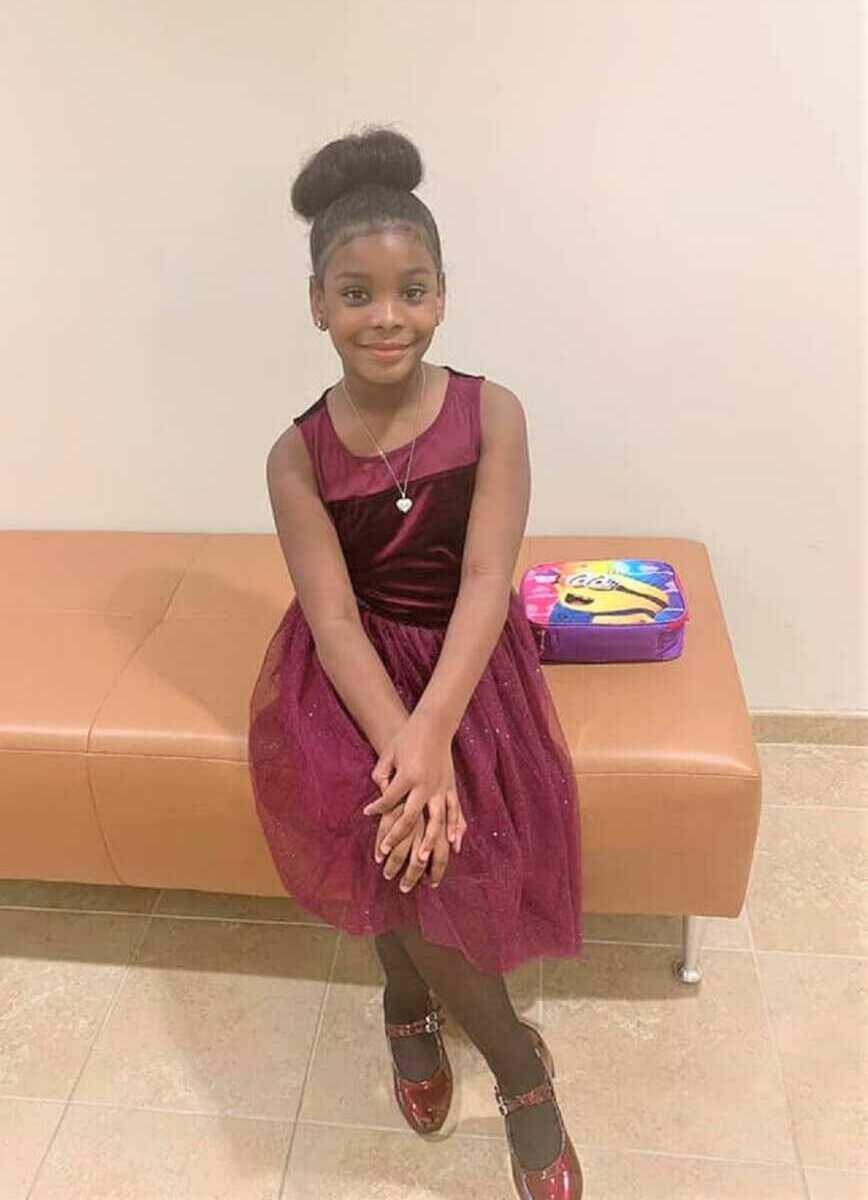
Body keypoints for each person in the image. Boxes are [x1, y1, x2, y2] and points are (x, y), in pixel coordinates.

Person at [248, 125, 584, 1199]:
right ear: (316, 304)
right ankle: (505, 1060)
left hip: (467, 670)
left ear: (442, 296)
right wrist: (400, 743)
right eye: (356, 293)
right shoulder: (296, 453)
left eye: (410, 290)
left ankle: (433, 1015)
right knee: (381, 824)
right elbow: (334, 619)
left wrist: (433, 731)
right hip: (348, 682)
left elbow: (488, 581)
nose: (384, 316)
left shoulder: (495, 414)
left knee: (436, 842)